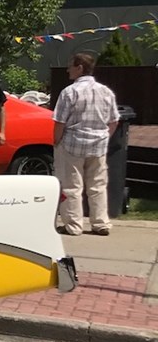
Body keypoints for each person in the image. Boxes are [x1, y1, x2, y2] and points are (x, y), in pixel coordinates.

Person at [53, 52, 118, 236]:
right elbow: (114, 121)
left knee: (71, 186)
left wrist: (56, 141)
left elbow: (60, 122)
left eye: (70, 66)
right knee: (98, 185)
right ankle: (100, 223)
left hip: (72, 144)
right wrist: (105, 137)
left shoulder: (69, 92)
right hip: (98, 145)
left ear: (79, 68)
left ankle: (73, 225)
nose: (68, 70)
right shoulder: (106, 91)